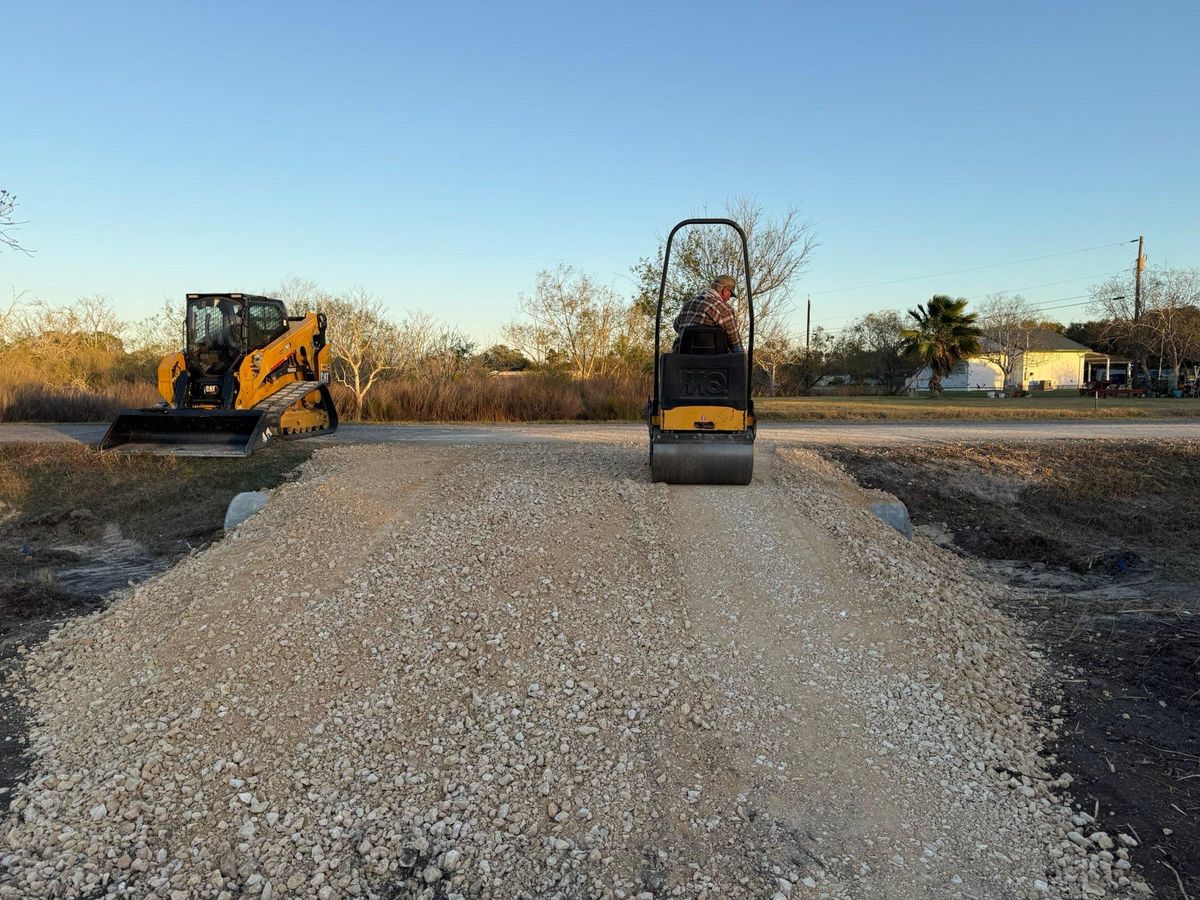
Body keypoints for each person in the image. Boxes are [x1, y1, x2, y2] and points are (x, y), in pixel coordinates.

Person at [672, 275, 743, 352]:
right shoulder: (724, 308)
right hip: (713, 360)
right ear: (725, 291)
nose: (729, 298)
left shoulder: (688, 304)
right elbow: (735, 342)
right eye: (731, 295)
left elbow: (676, 326)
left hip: (684, 358)